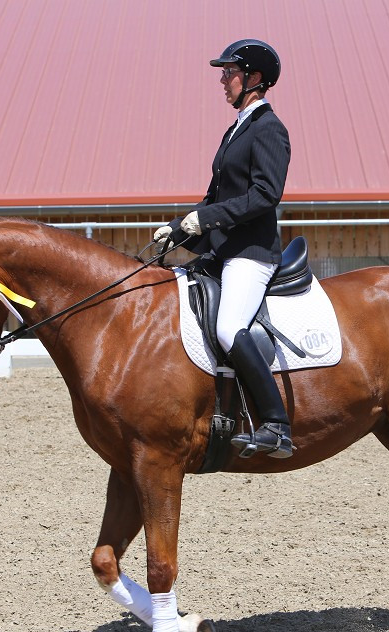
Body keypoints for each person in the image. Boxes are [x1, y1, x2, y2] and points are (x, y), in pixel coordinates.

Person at [154, 38, 293, 459]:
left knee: (229, 326)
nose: (223, 80)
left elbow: (266, 195)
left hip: (251, 253)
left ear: (253, 79)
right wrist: (181, 229)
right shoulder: (236, 129)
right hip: (222, 251)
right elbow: (215, 198)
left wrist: (207, 219)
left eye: (229, 72)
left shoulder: (269, 129)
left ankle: (276, 424)